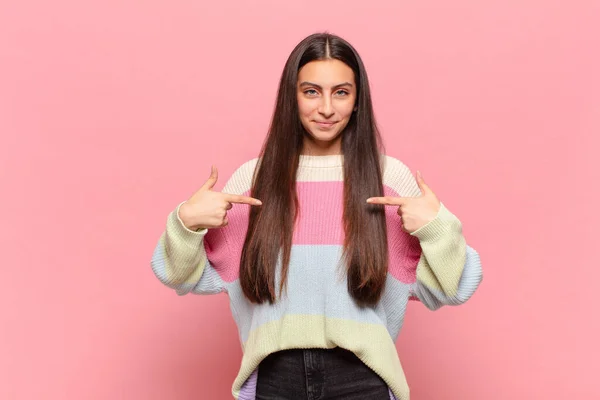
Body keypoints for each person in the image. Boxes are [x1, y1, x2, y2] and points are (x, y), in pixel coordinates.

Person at [150, 32, 483, 400]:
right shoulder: (253, 181)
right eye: (311, 91)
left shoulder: (389, 179)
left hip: (362, 378)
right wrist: (187, 223)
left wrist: (437, 229)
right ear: (291, 98)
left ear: (357, 100)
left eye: (341, 92)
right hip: (276, 379)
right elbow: (179, 275)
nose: (326, 108)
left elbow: (454, 286)